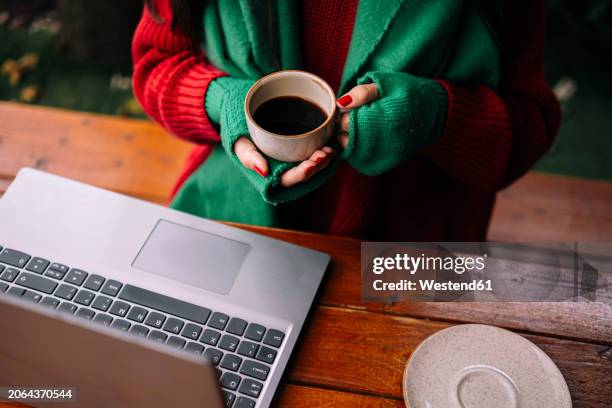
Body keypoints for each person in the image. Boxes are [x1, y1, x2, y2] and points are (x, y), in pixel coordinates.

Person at [132, 0, 560, 240]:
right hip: (229, 219)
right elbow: (157, 64)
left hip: (410, 255)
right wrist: (223, 101)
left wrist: (434, 115)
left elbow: (529, 126)